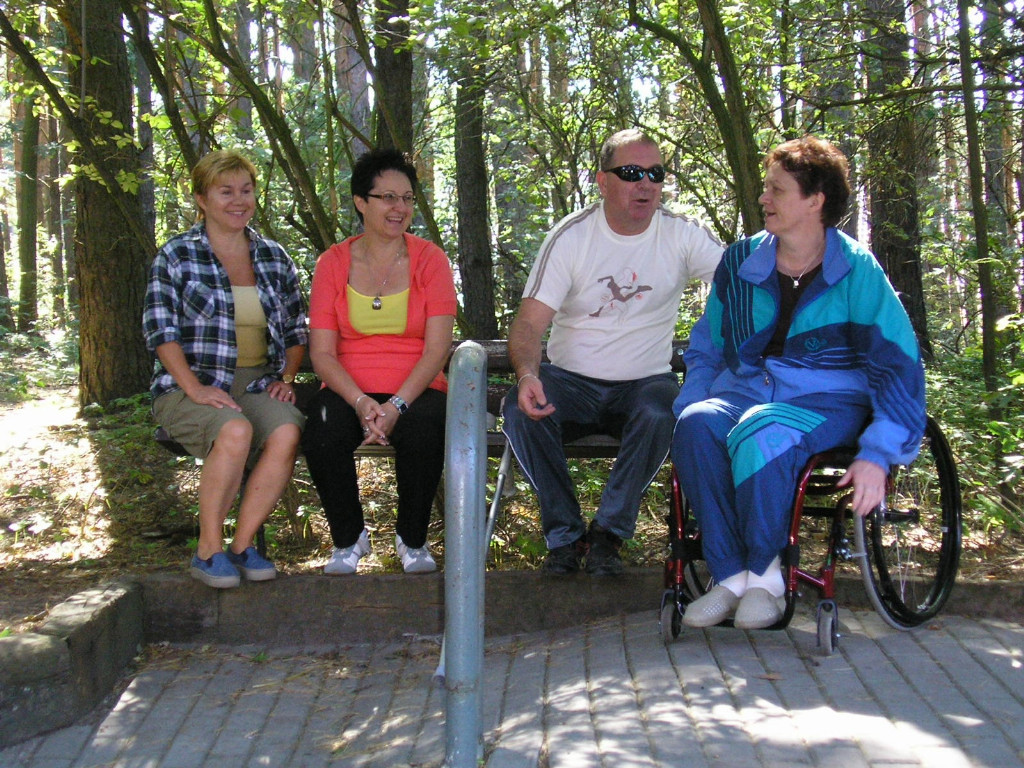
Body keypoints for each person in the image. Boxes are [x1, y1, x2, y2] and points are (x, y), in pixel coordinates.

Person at [671, 135, 926, 630]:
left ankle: (766, 578)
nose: (763, 197)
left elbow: (897, 365)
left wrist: (878, 452)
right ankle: (732, 578)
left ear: (815, 200)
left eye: (777, 189)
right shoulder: (740, 262)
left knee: (764, 429)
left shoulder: (856, 271)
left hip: (827, 400)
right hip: (744, 391)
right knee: (697, 425)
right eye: (766, 187)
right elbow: (706, 347)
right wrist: (690, 401)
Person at [502, 129, 723, 577]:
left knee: (665, 412)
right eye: (632, 172)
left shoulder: (682, 234)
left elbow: (743, 283)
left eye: (655, 174)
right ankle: (565, 537)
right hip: (570, 382)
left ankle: (608, 534)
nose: (646, 184)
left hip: (645, 384)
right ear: (603, 182)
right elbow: (527, 325)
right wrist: (527, 376)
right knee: (520, 412)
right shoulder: (571, 237)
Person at [143, 149, 308, 589]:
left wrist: (286, 379)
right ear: (202, 199)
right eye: (226, 191)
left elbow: (297, 329)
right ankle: (208, 550)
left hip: (256, 383)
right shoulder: (177, 255)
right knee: (234, 430)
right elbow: (161, 333)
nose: (239, 200)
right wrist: (194, 389)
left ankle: (242, 545)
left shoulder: (272, 256)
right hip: (188, 385)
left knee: (286, 430)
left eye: (246, 190)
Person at [301, 148, 457, 575]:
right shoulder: (333, 263)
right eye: (387, 197)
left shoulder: (430, 260)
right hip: (347, 388)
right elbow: (322, 353)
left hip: (418, 387)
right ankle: (348, 538)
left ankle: (412, 539)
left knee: (425, 430)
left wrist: (396, 406)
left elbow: (437, 348)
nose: (399, 208)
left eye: (406, 198)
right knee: (322, 429)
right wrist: (360, 402)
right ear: (360, 202)